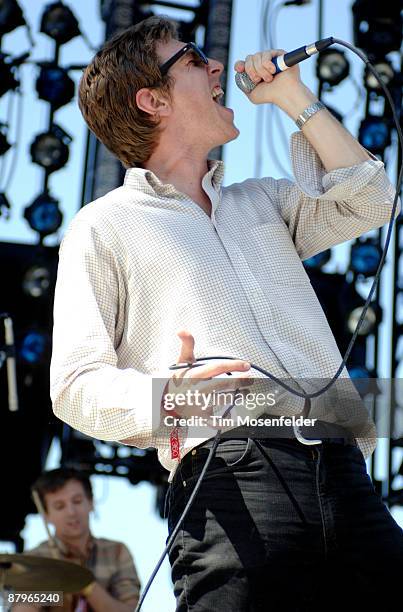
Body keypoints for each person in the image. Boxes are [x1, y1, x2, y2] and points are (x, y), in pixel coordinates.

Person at [50, 15, 403, 612]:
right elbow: (74, 384)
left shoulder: (261, 200)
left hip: (346, 477)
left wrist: (292, 96)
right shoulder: (102, 227)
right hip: (233, 483)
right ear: (151, 99)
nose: (217, 66)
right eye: (193, 58)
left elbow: (370, 198)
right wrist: (165, 399)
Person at [13, 468, 140, 612]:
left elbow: (130, 610)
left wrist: (86, 585)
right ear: (46, 515)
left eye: (77, 501)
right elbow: (23, 608)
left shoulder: (117, 551)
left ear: (91, 502)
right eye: (59, 506)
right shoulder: (34, 559)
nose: (71, 512)